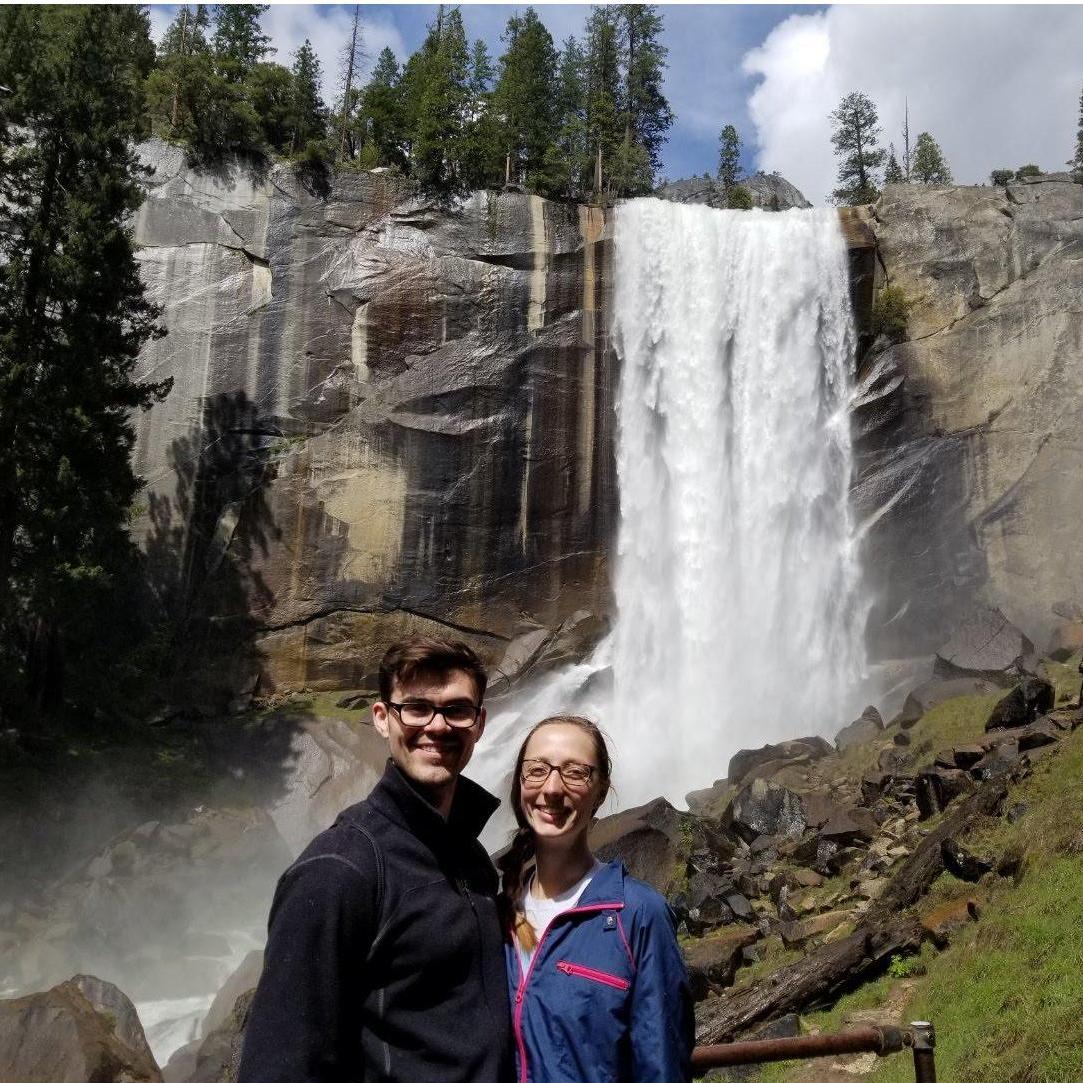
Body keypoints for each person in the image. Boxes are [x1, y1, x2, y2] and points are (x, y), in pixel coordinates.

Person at [237, 636, 512, 1083]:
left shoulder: (471, 858)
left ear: (479, 724)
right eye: (417, 707)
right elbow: (280, 1066)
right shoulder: (339, 870)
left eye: (457, 710)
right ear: (383, 718)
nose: (438, 726)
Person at [498, 715, 694, 1083]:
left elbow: (662, 1065)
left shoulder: (637, 916)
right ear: (520, 782)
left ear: (601, 791)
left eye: (575, 773)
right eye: (537, 770)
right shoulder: (495, 916)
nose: (552, 788)